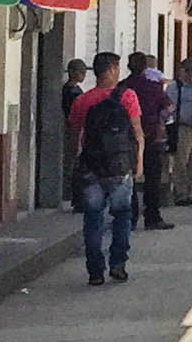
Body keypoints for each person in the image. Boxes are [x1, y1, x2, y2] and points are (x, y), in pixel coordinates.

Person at [69, 50, 145, 284]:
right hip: (120, 167)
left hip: (91, 167)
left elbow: (75, 135)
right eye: (117, 68)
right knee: (122, 215)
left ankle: (95, 271)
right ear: (111, 69)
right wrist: (139, 162)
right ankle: (118, 263)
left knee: (93, 217)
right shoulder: (128, 96)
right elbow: (137, 133)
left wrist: (78, 161)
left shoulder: (83, 100)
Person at [128, 50, 174, 229]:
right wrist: (161, 121)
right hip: (152, 137)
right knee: (152, 178)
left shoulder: (123, 87)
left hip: (129, 138)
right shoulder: (153, 87)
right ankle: (152, 216)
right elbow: (169, 106)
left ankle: (130, 217)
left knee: (129, 178)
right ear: (145, 68)